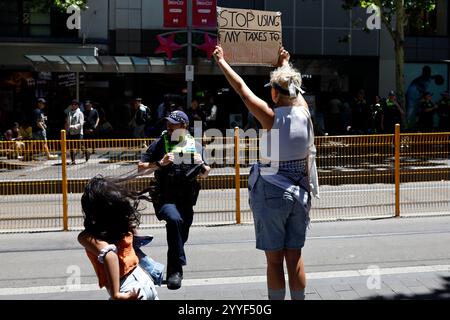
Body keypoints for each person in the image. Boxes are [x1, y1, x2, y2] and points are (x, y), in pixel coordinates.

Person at [213, 45, 319, 300]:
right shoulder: (304, 112)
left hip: (272, 192)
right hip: (300, 194)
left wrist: (221, 62)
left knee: (274, 261)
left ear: (273, 93)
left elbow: (241, 89)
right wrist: (284, 64)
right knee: (295, 257)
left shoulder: (270, 117)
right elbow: (293, 91)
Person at [137, 110, 211, 290]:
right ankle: (175, 272)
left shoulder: (196, 145)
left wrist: (202, 164)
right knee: (174, 220)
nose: (169, 127)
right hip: (164, 197)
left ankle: (173, 270)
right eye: (167, 124)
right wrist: (159, 163)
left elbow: (206, 173)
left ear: (184, 126)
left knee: (179, 236)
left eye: (173, 124)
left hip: (186, 199)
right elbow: (140, 168)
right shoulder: (160, 144)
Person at [77, 175, 159, 300]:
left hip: (127, 288)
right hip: (144, 281)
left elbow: (109, 255)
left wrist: (116, 294)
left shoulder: (86, 236)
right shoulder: (123, 224)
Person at [66, 99, 86, 165]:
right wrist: (67, 130)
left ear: (77, 105)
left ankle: (86, 153)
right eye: (72, 104)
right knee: (71, 146)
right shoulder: (69, 113)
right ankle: (73, 160)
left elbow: (81, 124)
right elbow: (68, 122)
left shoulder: (80, 113)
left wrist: (72, 126)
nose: (73, 106)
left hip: (78, 132)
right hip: (71, 132)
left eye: (74, 104)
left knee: (79, 146)